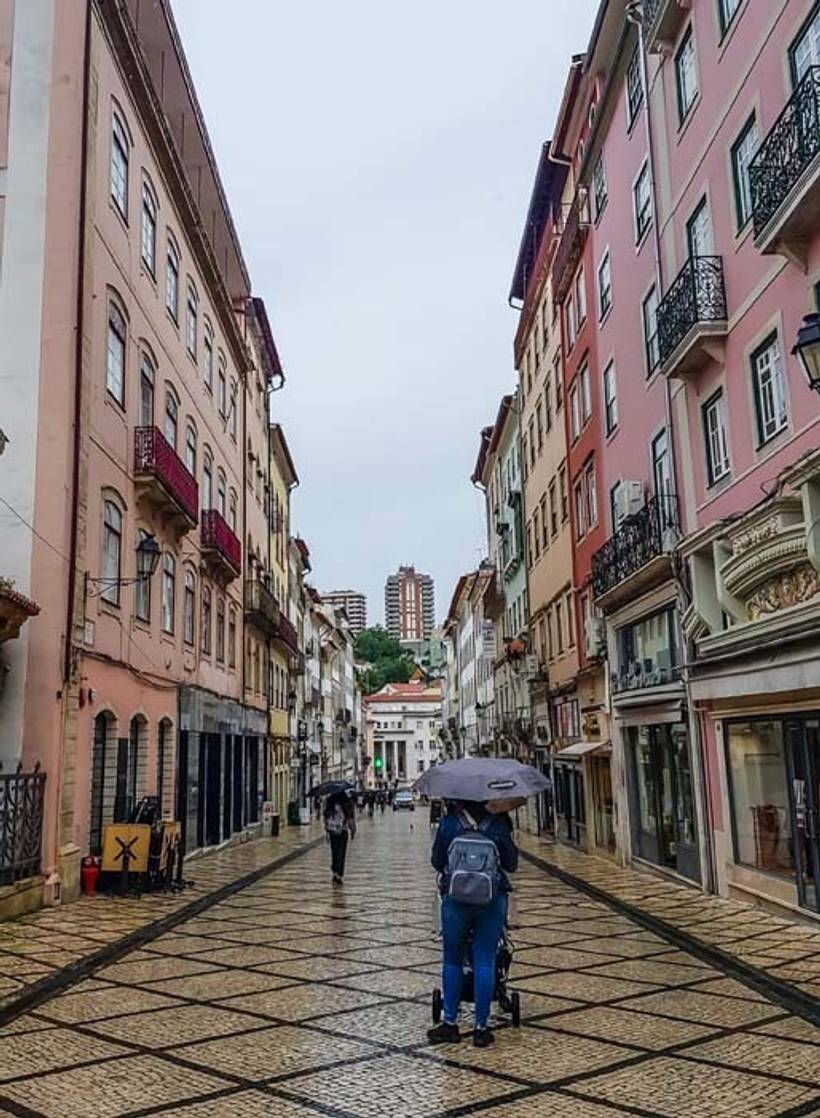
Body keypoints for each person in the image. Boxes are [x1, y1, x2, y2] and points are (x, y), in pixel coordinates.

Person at [427, 800, 518, 1048]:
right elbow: (512, 863)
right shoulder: (498, 824)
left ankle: (450, 1023)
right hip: (491, 900)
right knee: (485, 959)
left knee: (453, 959)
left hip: (456, 901)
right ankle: (481, 1028)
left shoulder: (449, 823)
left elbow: (436, 862)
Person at [323, 790, 356, 884]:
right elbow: (350, 817)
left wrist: (326, 829)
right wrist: (353, 830)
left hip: (332, 831)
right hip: (343, 831)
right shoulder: (346, 802)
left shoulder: (329, 802)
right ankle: (339, 874)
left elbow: (325, 817)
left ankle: (335, 872)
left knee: (334, 851)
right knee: (341, 852)